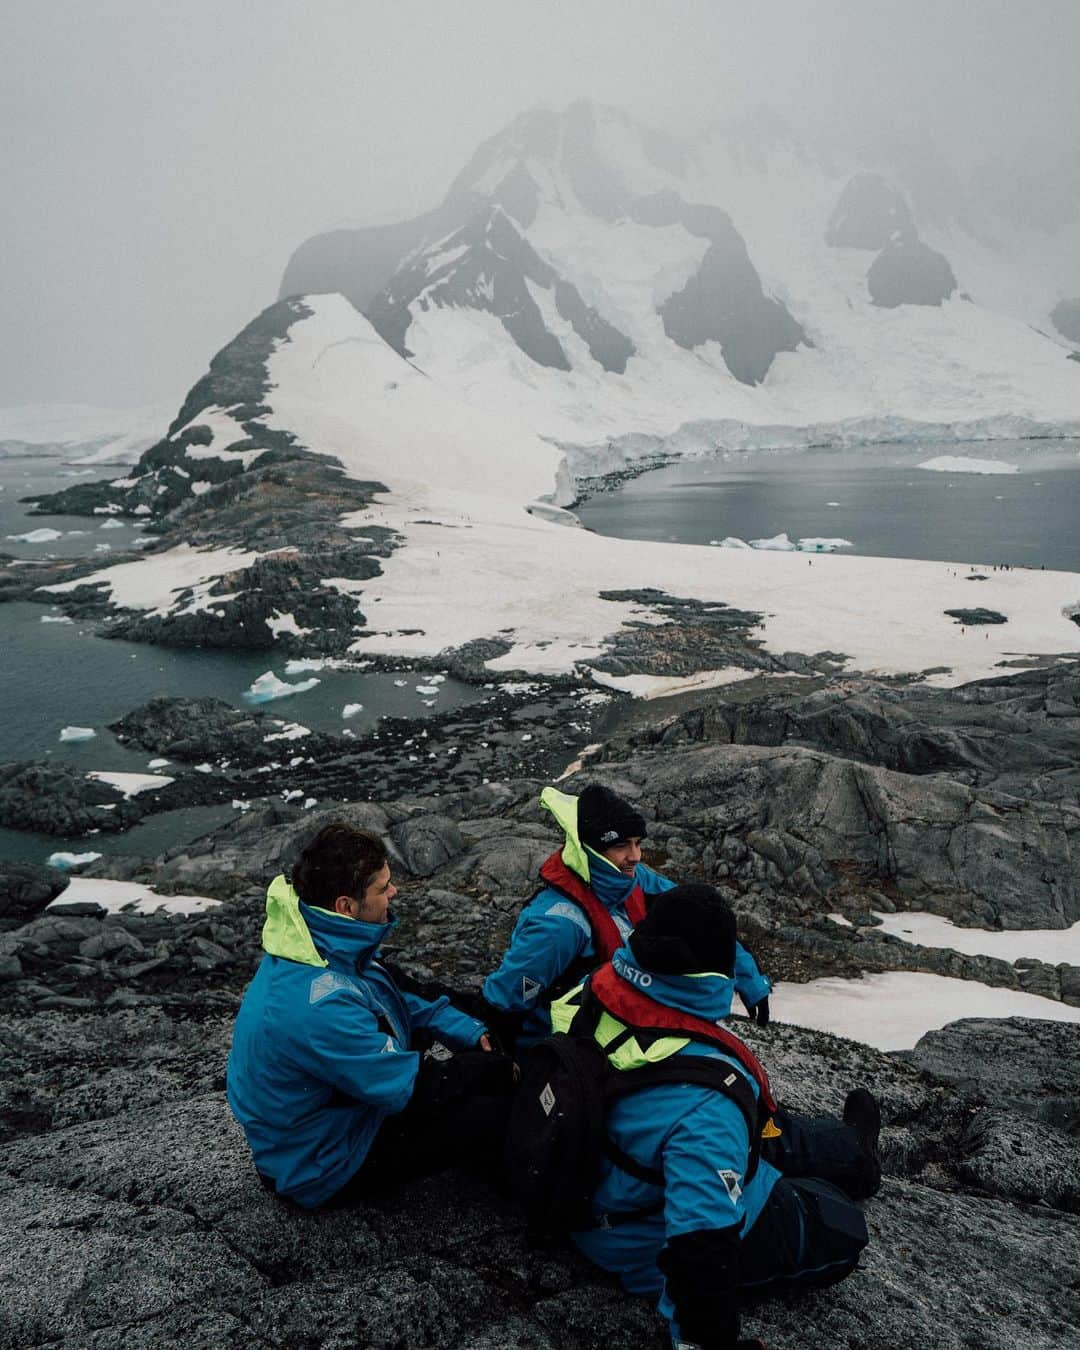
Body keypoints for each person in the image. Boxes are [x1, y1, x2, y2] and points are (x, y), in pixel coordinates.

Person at [555, 884, 879, 1349]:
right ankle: (852, 1168)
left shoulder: (597, 991)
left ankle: (854, 1149)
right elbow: (700, 1248)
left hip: (617, 1171)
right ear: (716, 970)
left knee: (770, 1133)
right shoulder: (707, 1100)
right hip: (639, 1230)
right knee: (839, 1221)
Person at [227, 822, 517, 1208]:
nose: (394, 892)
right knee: (494, 1109)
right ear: (346, 906)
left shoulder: (319, 944)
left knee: (472, 1075)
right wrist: (495, 1070)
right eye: (382, 888)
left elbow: (386, 996)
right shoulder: (316, 1005)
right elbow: (407, 1088)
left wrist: (464, 1028)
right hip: (322, 1165)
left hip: (328, 1127)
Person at [482, 784, 771, 1047]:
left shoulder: (635, 881)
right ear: (590, 851)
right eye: (621, 846)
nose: (635, 856)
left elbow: (698, 919)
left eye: (637, 843)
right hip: (572, 1051)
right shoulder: (559, 925)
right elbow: (504, 1002)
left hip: (623, 1029)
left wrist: (748, 977)